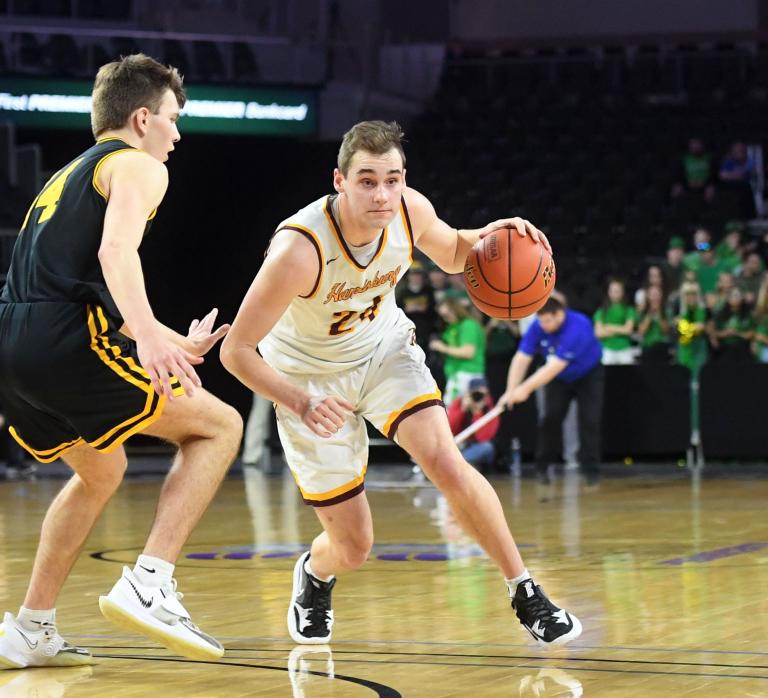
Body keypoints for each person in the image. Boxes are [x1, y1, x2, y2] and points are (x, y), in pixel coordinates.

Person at [220, 120, 581, 649]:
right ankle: (315, 574)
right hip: (310, 379)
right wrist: (300, 400)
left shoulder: (409, 209)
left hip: (384, 350)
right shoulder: (299, 250)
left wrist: (493, 234)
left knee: (445, 460)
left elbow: (457, 253)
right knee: (353, 547)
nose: (382, 194)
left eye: (392, 179)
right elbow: (236, 351)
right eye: (367, 180)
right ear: (339, 181)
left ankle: (524, 589)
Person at [0, 54, 242, 668]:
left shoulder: (66, 177)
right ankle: (151, 580)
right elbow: (115, 253)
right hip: (59, 340)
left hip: (4, 342)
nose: (178, 134)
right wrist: (150, 340)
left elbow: (73, 282)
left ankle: (30, 626)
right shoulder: (140, 167)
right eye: (174, 119)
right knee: (219, 426)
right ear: (143, 117)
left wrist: (167, 337)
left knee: (100, 471)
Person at [502, 296, 603, 487]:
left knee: (589, 420)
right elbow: (522, 357)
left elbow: (553, 367)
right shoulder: (538, 327)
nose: (543, 325)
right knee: (550, 418)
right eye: (540, 320)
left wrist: (524, 389)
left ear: (559, 315)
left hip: (588, 375)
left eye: (547, 320)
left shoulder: (578, 326)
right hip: (560, 379)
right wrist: (510, 390)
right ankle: (542, 467)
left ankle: (590, 470)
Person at [429, 297, 487, 400]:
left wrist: (442, 347)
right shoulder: (451, 327)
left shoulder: (468, 325)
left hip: (468, 374)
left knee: (454, 412)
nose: (447, 317)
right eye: (443, 316)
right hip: (455, 375)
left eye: (449, 313)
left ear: (456, 309)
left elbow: (468, 352)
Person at [446, 377, 499, 471]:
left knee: (487, 447)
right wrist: (462, 410)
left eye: (482, 394)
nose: (478, 397)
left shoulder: (490, 410)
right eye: (475, 394)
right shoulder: (459, 403)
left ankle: (453, 464)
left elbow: (483, 438)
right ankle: (456, 463)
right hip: (460, 445)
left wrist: (477, 413)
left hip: (477, 448)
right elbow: (449, 430)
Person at [593, 278, 636, 365]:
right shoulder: (601, 311)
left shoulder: (629, 310)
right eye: (612, 290)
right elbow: (598, 333)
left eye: (618, 291)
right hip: (606, 349)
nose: (615, 293)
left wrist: (608, 327)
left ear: (623, 292)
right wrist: (621, 330)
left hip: (624, 349)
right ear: (608, 292)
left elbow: (628, 330)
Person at [711, 286, 754, 363]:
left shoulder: (747, 314)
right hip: (725, 348)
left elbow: (751, 334)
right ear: (728, 298)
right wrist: (726, 333)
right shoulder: (721, 314)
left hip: (742, 347)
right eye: (732, 296)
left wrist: (737, 333)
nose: (735, 299)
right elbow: (715, 332)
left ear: (742, 298)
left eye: (737, 296)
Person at [636, 286, 672, 363]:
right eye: (652, 295)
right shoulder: (642, 311)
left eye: (657, 295)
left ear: (661, 296)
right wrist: (650, 314)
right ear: (648, 296)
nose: (655, 298)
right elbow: (641, 332)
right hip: (647, 348)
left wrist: (659, 314)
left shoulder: (666, 311)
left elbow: (666, 331)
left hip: (662, 348)